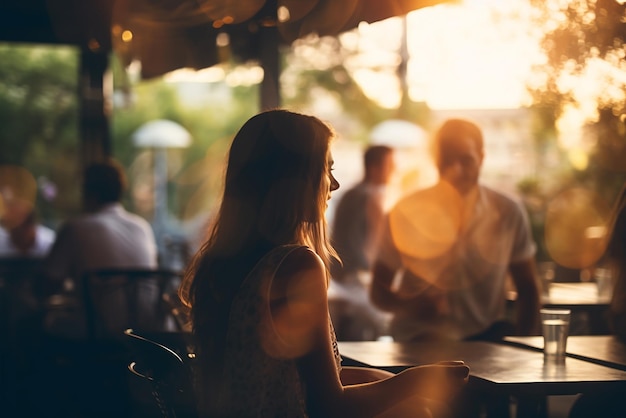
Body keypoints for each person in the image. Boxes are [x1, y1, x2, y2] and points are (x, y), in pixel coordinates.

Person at [179, 109, 469, 418]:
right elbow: (328, 406)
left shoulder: (227, 262)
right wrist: (416, 381)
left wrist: (393, 382)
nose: (334, 185)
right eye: (325, 169)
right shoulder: (293, 266)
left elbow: (298, 381)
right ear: (294, 179)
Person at [370, 118, 540, 342]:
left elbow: (528, 289)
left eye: (466, 160)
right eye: (447, 160)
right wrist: (412, 305)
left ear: (482, 157)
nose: (456, 170)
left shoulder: (508, 213)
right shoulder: (404, 213)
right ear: (435, 160)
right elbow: (378, 292)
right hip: (418, 343)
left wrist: (525, 346)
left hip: (484, 343)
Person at [44, 159, 158, 337]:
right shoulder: (142, 227)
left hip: (98, 332)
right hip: (145, 333)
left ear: (89, 191)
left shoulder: (75, 228)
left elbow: (47, 285)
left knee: (35, 323)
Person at [329, 145, 395, 340]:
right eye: (390, 165)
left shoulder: (352, 193)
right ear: (375, 168)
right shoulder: (371, 196)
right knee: (384, 320)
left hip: (340, 275)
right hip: (353, 278)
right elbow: (376, 246)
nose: (394, 171)